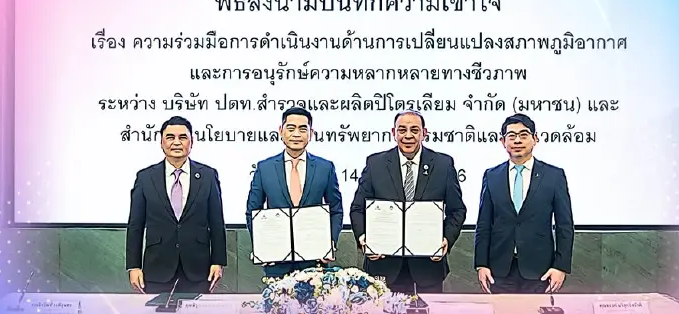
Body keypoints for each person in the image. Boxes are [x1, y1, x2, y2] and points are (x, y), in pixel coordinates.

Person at [350, 110, 466, 294]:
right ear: (393, 133)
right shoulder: (375, 164)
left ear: (424, 133)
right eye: (402, 130)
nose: (408, 135)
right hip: (384, 263)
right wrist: (364, 238)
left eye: (414, 130)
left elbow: (457, 210)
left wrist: (446, 239)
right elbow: (358, 208)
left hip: (428, 264)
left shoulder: (443, 165)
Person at [474, 113, 574, 294]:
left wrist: (561, 266)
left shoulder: (553, 176)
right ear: (503, 142)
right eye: (511, 136)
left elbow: (564, 225)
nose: (517, 140)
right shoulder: (492, 175)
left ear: (535, 139)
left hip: (540, 270)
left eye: (524, 135)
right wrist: (481, 264)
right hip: (499, 270)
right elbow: (483, 224)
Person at [125, 116, 227, 294]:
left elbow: (217, 222)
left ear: (192, 142)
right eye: (170, 137)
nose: (177, 142)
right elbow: (135, 225)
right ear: (161, 142)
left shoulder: (208, 176)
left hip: (198, 268)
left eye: (183, 137)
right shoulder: (145, 177)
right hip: (157, 268)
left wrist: (218, 262)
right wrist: (133, 266)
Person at [245, 107, 343, 278]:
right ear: (281, 131)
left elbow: (336, 210)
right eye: (291, 128)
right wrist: (262, 247)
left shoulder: (325, 168)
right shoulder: (264, 168)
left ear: (311, 133)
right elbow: (253, 212)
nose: (296, 134)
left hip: (314, 262)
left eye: (303, 129)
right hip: (276, 263)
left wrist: (330, 242)